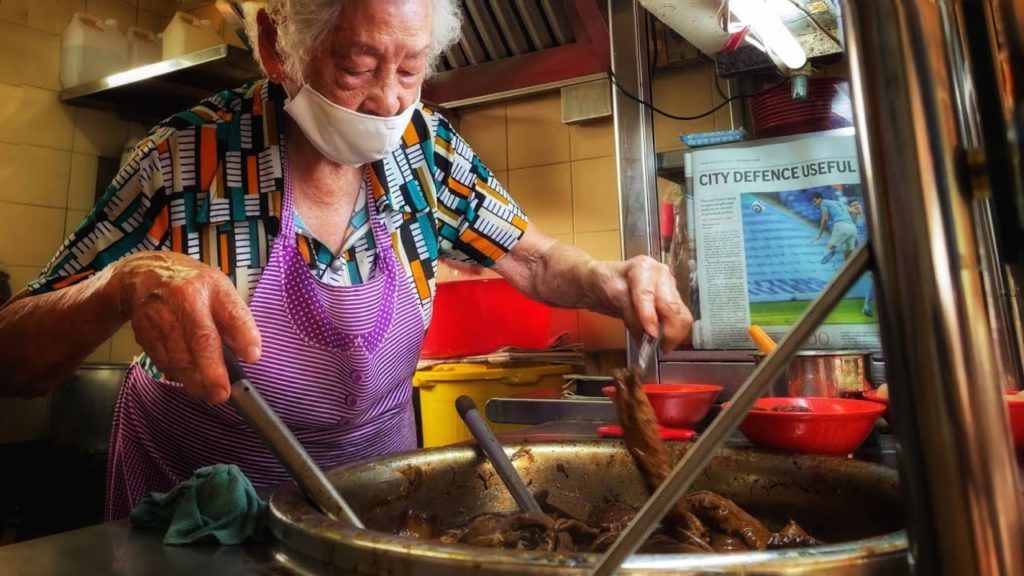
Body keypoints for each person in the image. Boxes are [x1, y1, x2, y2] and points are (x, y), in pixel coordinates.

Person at [0, 0, 691, 520]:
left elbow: (533, 259)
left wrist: (608, 279)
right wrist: (122, 286)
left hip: (371, 502)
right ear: (278, 46)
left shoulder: (428, 152)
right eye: (358, 67)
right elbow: (14, 359)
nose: (390, 100)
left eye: (412, 70)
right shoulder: (185, 161)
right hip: (198, 516)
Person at [810, 191, 857, 264]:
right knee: (848, 258)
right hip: (852, 228)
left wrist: (819, 234)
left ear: (820, 198)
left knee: (829, 247)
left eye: (815, 201)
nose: (815, 204)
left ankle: (831, 251)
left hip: (841, 226)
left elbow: (825, 219)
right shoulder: (839, 203)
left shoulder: (823, 203)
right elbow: (854, 211)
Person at [847, 198, 875, 316]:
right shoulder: (854, 220)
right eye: (853, 205)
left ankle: (867, 306)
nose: (856, 206)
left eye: (857, 204)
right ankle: (866, 306)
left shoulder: (866, 216)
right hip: (867, 254)